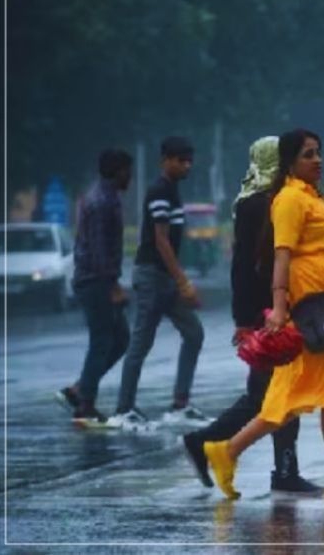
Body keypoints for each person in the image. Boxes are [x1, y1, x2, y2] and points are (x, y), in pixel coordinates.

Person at [201, 129, 324, 503]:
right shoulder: (289, 199)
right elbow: (281, 255)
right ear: (288, 162)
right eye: (308, 154)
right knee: (290, 398)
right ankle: (228, 451)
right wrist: (280, 307)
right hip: (309, 315)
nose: (317, 160)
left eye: (319, 152)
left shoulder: (315, 197)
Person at [182, 137, 321, 495]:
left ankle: (283, 470)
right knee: (269, 395)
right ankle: (210, 444)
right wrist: (245, 320)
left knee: (274, 394)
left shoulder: (270, 198)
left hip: (276, 308)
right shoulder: (258, 204)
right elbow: (244, 266)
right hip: (267, 311)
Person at [111, 137, 208, 430]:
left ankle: (180, 403)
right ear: (165, 160)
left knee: (194, 333)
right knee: (141, 342)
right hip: (152, 275)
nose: (186, 165)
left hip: (165, 278)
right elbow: (161, 240)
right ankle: (123, 409)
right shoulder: (159, 191)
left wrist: (178, 281)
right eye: (180, 160)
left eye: (189, 160)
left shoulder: (173, 191)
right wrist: (183, 282)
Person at [55, 149, 134, 424]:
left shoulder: (105, 197)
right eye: (128, 171)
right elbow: (100, 250)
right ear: (118, 171)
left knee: (120, 339)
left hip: (95, 279)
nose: (130, 177)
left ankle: (79, 390)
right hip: (96, 281)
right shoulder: (102, 202)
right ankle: (85, 405)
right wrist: (113, 285)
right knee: (102, 340)